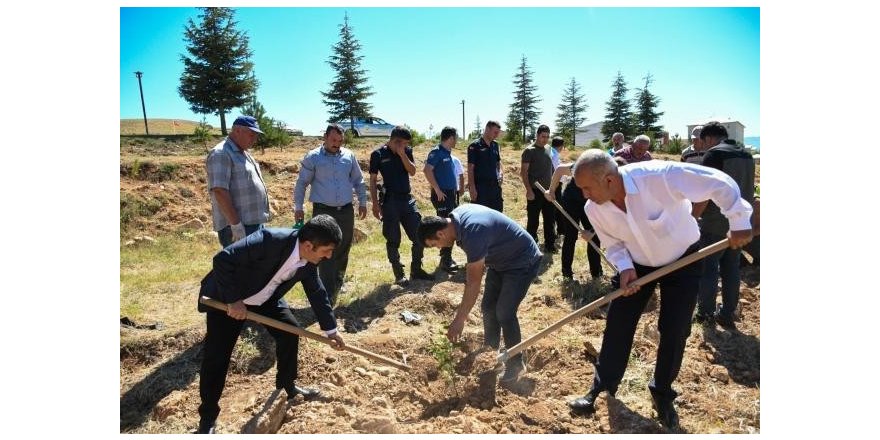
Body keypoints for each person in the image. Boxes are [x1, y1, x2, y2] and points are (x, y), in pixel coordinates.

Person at [566, 149, 753, 430]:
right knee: (618, 322)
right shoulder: (594, 209)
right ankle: (603, 386)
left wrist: (738, 220)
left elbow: (718, 181)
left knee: (675, 328)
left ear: (608, 179)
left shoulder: (658, 177)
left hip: (683, 259)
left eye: (586, 188)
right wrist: (625, 268)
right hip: (638, 266)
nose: (584, 195)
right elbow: (613, 244)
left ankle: (662, 393)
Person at [195, 215, 347, 434]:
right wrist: (234, 300)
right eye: (326, 250)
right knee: (216, 357)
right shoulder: (268, 240)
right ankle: (208, 419)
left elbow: (316, 292)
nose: (329, 256)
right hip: (229, 298)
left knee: (290, 333)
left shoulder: (308, 261)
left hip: (265, 298)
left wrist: (331, 331)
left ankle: (287, 387)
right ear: (308, 245)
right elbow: (222, 259)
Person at [418, 204, 542, 383]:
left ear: (440, 234)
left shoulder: (473, 232)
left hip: (522, 260)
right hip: (500, 262)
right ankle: (491, 353)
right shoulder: (457, 219)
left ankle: (516, 364)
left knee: (504, 313)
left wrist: (459, 320)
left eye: (434, 244)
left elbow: (474, 282)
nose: (438, 248)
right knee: (488, 308)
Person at [293, 124, 368, 305]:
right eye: (333, 140)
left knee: (343, 247)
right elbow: (302, 183)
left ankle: (337, 282)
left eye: (340, 141)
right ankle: (326, 292)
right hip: (323, 211)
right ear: (325, 137)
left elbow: (358, 181)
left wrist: (363, 202)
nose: (337, 144)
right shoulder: (313, 157)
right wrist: (298, 206)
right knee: (325, 250)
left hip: (346, 210)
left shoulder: (349, 156)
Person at [694, 122, 756, 328]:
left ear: (709, 139)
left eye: (702, 142)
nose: (701, 147)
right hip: (739, 223)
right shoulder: (746, 155)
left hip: (715, 222)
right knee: (731, 268)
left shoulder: (713, 155)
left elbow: (704, 192)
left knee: (708, 269)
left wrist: (693, 216)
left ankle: (706, 313)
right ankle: (728, 313)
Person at [369, 126, 434, 285]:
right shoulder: (377, 154)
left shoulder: (406, 151)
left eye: (406, 144)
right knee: (393, 239)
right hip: (390, 201)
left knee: (419, 235)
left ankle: (416, 270)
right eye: (403, 143)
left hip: (407, 200)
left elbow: (412, 171)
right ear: (395, 140)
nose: (405, 146)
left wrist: (403, 154)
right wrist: (375, 205)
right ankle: (399, 274)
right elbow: (372, 181)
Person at [206, 115, 271, 247]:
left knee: (254, 266)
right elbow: (219, 191)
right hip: (238, 226)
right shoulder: (221, 153)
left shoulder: (243, 153)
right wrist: (236, 225)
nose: (255, 139)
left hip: (252, 224)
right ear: (237, 131)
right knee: (240, 266)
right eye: (252, 134)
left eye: (256, 135)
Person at [424, 126, 463, 273]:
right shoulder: (437, 152)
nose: (457, 140)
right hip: (442, 195)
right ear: (451, 138)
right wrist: (437, 189)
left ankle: (447, 258)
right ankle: (445, 261)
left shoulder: (448, 152)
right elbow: (427, 170)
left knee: (452, 224)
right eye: (456, 137)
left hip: (451, 193)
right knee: (445, 227)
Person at [520, 124, 557, 253]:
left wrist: (553, 187)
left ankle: (550, 244)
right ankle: (530, 246)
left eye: (547, 137)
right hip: (535, 191)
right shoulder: (529, 151)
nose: (545, 139)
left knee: (550, 219)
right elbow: (524, 172)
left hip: (548, 191)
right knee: (533, 220)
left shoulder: (548, 148)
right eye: (543, 136)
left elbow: (550, 169)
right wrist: (528, 190)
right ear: (537, 135)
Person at [467, 120, 504, 212]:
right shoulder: (474, 146)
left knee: (497, 213)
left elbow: (498, 163)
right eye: (495, 132)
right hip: (480, 188)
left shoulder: (495, 145)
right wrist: (472, 188)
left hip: (495, 187)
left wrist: (500, 172)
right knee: (481, 215)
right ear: (487, 129)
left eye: (498, 133)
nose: (496, 135)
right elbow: (470, 168)